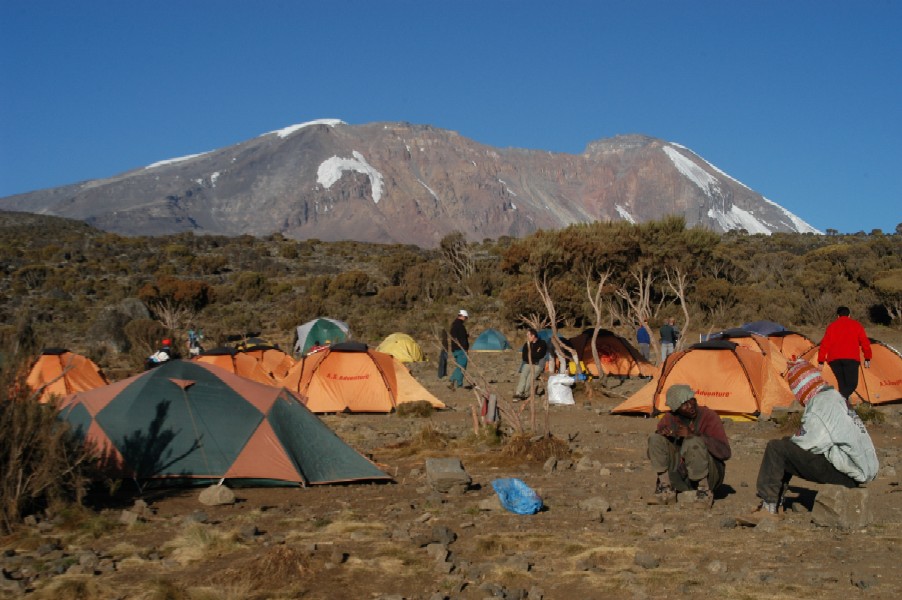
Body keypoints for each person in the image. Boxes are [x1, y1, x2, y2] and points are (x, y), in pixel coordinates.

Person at [743, 360, 878, 524]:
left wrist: (789, 443)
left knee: (777, 448)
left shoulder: (821, 403)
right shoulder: (835, 397)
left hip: (846, 473)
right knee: (786, 447)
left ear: (802, 387)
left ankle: (769, 506)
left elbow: (810, 442)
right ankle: (775, 502)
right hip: (856, 469)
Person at [647, 384, 731, 507]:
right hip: (680, 475)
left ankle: (703, 492)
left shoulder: (709, 416)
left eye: (691, 401)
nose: (690, 406)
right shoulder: (670, 418)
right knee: (655, 439)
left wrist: (694, 435)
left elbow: (725, 453)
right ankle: (666, 488)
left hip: (710, 475)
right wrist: (664, 435)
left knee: (693, 441)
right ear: (676, 409)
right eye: (684, 405)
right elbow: (653, 452)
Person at [817, 306, 872, 406]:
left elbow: (824, 344)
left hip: (834, 360)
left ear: (838, 316)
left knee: (842, 385)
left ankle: (843, 409)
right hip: (851, 358)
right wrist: (867, 357)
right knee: (852, 384)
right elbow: (865, 342)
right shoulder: (856, 325)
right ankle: (837, 401)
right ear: (849, 315)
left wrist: (821, 361)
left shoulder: (831, 326)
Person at [514, 328, 548, 400]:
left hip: (538, 364)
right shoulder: (526, 345)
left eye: (528, 335)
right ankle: (519, 392)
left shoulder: (542, 343)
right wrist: (534, 354)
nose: (527, 337)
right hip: (528, 363)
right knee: (523, 375)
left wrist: (531, 354)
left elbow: (540, 355)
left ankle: (525, 393)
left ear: (533, 336)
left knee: (530, 378)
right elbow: (524, 357)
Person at [448, 309, 470, 390]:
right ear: (463, 316)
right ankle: (452, 379)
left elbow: (456, 337)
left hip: (454, 349)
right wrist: (465, 349)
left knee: (460, 366)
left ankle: (459, 384)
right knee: (461, 366)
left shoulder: (453, 326)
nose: (466, 319)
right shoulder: (461, 326)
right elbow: (462, 339)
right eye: (466, 317)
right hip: (461, 349)